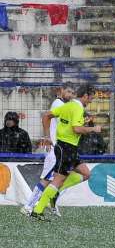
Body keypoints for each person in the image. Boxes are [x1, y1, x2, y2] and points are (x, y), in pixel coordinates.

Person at [31, 84, 101, 221]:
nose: (90, 101)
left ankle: (56, 192)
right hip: (65, 148)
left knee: (86, 173)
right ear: (85, 95)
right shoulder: (77, 107)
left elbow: (47, 115)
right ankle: (38, 210)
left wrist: (47, 136)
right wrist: (93, 129)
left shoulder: (68, 105)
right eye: (90, 98)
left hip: (69, 148)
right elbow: (76, 129)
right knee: (58, 179)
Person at [20, 83, 75, 216]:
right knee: (47, 179)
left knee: (61, 177)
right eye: (68, 91)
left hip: (61, 148)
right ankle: (29, 206)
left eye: (72, 92)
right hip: (56, 148)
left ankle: (51, 202)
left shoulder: (63, 104)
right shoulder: (58, 104)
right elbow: (46, 117)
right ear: (61, 91)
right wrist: (47, 136)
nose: (70, 95)